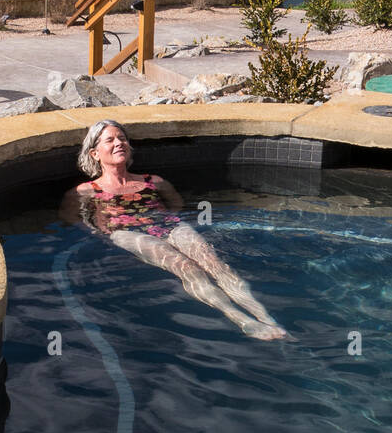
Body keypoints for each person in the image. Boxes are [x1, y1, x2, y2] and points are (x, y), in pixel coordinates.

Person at [59, 120, 288, 340]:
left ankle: (265, 316)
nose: (119, 143)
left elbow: (176, 206)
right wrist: (101, 232)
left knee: (212, 261)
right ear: (95, 153)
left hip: (165, 224)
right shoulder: (86, 191)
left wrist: (167, 226)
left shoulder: (153, 181)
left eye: (122, 138)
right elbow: (72, 219)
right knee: (185, 266)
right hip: (124, 231)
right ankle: (241, 319)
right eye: (110, 140)